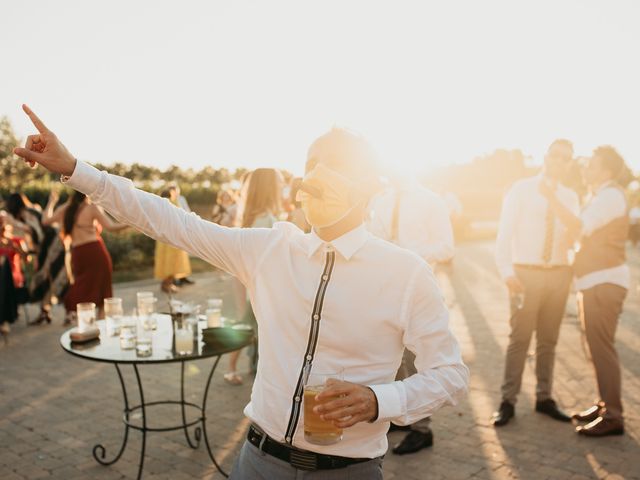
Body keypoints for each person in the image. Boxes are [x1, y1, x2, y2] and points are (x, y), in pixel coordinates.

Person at [14, 106, 468, 479]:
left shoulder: (406, 273)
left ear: (368, 186)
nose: (317, 177)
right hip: (258, 462)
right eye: (312, 165)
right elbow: (171, 222)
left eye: (337, 167)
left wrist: (379, 400)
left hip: (349, 471)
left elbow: (449, 374)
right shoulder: (269, 249)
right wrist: (77, 170)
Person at [540, 146, 629, 437]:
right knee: (594, 347)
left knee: (601, 348)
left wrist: (551, 198)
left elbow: (580, 226)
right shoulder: (602, 195)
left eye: (591, 165)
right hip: (593, 281)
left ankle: (614, 416)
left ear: (605, 169)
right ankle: (605, 403)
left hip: (604, 281)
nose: (585, 168)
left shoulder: (610, 196)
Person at [492, 139, 579, 427]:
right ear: (546, 156)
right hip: (525, 274)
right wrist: (506, 272)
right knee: (519, 339)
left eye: (565, 158)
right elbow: (504, 234)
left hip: (559, 273)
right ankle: (508, 401)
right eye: (555, 155)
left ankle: (544, 397)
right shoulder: (522, 189)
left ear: (569, 163)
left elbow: (575, 236)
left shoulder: (569, 196)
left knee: (549, 340)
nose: (558, 161)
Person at [368, 175, 454, 455]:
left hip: (418, 289)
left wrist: (408, 255)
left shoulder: (430, 200)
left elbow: (446, 246)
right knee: (392, 356)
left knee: (415, 360)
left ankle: (422, 429)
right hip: (384, 288)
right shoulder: (380, 200)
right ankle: (399, 416)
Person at [225, 168, 283, 386]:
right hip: (262, 291)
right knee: (248, 331)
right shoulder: (267, 221)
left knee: (249, 331)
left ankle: (242, 368)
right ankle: (233, 369)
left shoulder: (256, 219)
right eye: (279, 184)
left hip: (257, 291)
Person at [43, 190, 127, 322]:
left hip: (78, 254)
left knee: (82, 285)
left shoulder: (65, 209)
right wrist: (132, 224)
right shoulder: (92, 208)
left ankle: (77, 314)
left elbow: (46, 221)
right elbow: (112, 227)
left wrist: (51, 202)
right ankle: (100, 327)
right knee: (103, 294)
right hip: (95, 252)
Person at [5, 192, 68, 325]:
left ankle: (68, 313)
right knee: (43, 281)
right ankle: (44, 312)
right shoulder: (27, 213)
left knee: (56, 279)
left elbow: (35, 230)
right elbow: (33, 237)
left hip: (52, 247)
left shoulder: (29, 212)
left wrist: (13, 223)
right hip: (46, 249)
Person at [154, 187, 193, 293]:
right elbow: (180, 216)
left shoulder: (158, 204)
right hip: (171, 239)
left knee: (170, 263)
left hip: (165, 239)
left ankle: (168, 284)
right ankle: (166, 284)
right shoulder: (172, 203)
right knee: (172, 263)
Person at [0, 212, 29, 338]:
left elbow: (27, 260)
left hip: (14, 275)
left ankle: (4, 319)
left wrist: (18, 249)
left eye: (2, 224)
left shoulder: (15, 240)